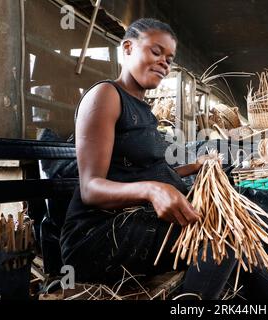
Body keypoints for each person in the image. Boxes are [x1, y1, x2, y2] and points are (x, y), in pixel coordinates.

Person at [60, 18, 236, 299]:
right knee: (218, 238)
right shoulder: (106, 95)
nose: (164, 63)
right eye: (156, 52)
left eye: (169, 58)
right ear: (128, 48)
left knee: (237, 227)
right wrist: (153, 190)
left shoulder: (144, 109)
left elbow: (140, 171)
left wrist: (194, 167)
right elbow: (90, 188)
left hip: (135, 220)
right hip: (98, 235)